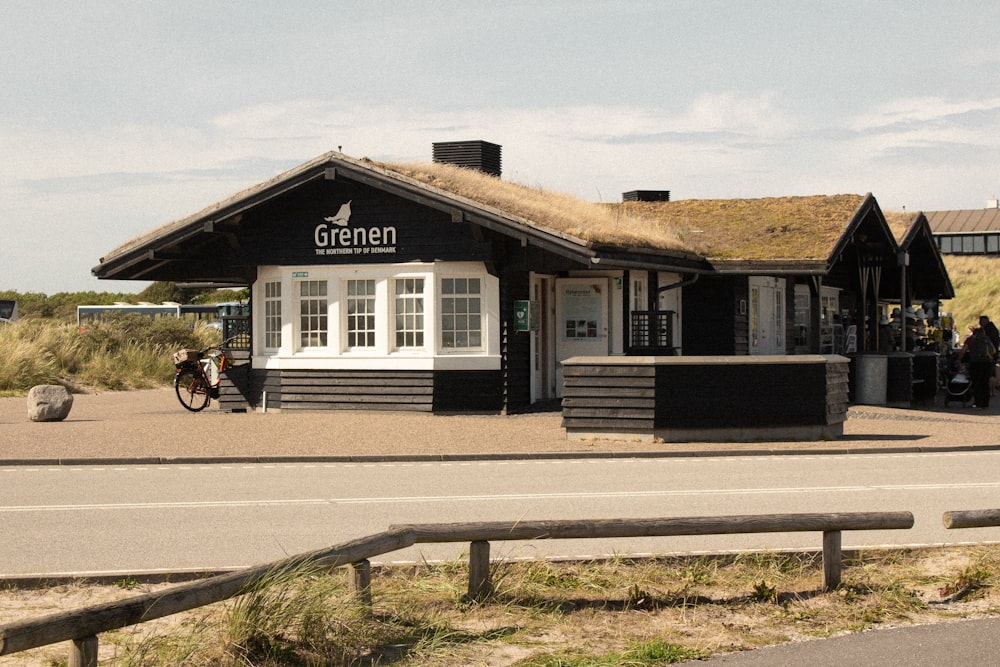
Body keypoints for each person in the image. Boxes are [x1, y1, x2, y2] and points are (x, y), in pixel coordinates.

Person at [958, 326, 997, 408]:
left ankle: (977, 402)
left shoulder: (970, 339)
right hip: (987, 363)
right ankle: (985, 403)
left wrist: (958, 359)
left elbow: (963, 350)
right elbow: (993, 351)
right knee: (985, 382)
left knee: (976, 382)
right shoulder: (987, 339)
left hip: (976, 363)